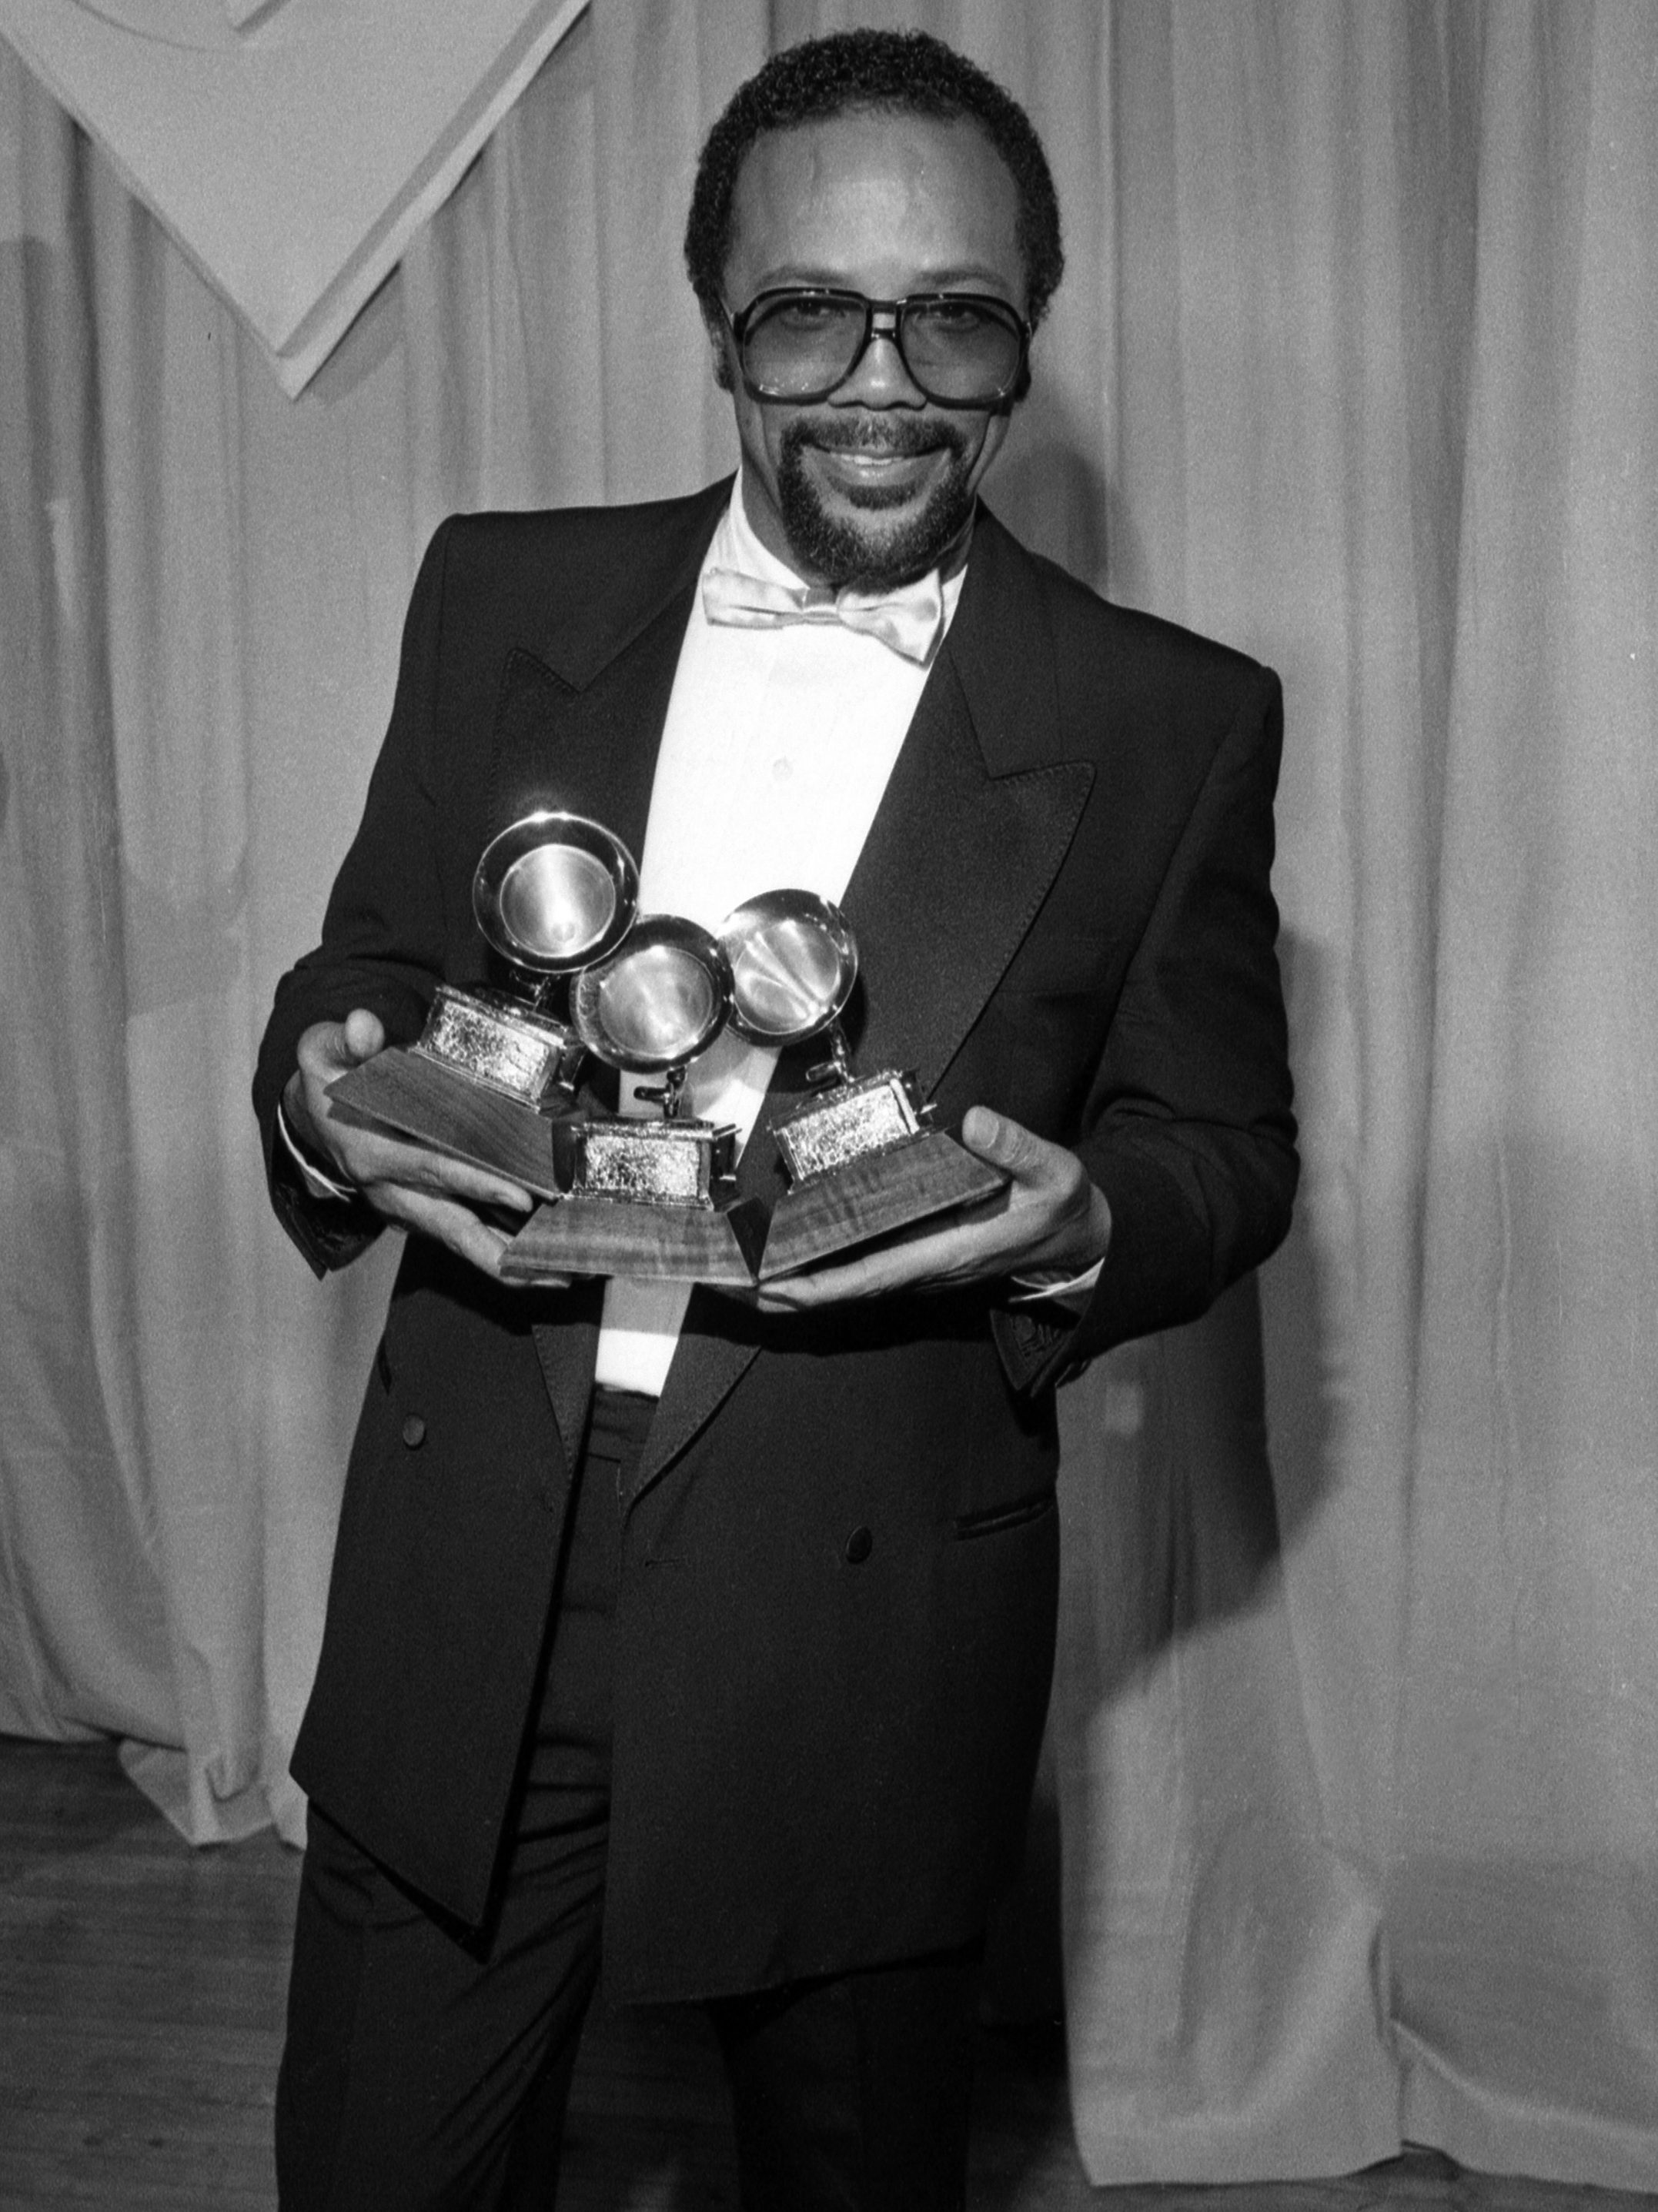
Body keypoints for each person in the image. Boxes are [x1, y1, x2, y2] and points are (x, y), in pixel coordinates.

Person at [254, 28, 1296, 2210]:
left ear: (1031, 330)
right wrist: (329, 1099)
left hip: (863, 1608)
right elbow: (365, 968)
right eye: (810, 312)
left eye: (956, 318)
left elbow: (1224, 1149)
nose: (881, 385)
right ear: (716, 316)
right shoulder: (500, 592)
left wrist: (1080, 1221)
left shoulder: (1168, 717)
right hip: (481, 1563)